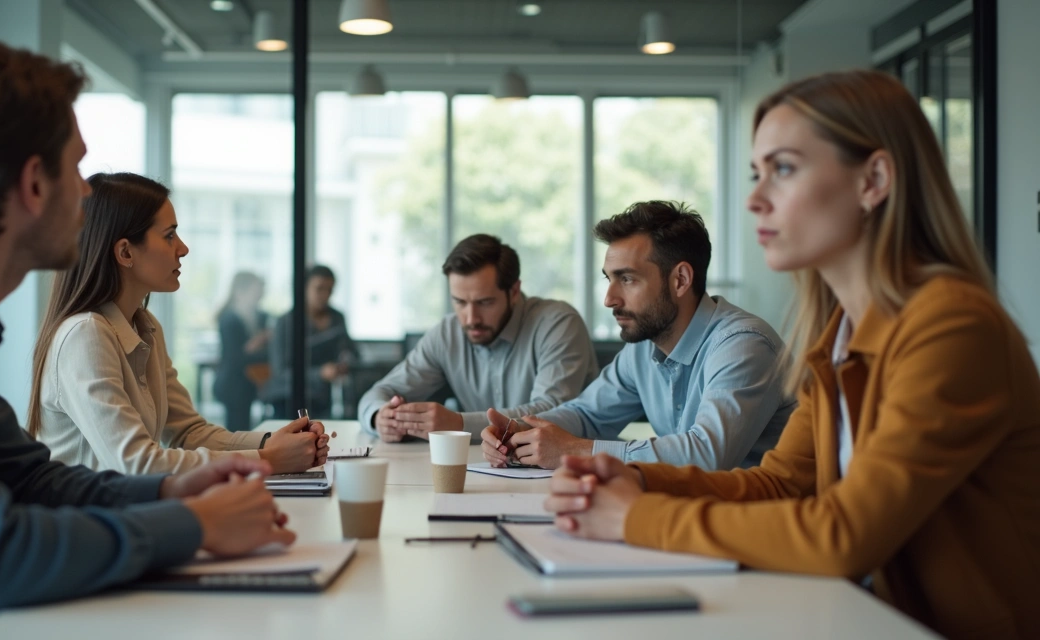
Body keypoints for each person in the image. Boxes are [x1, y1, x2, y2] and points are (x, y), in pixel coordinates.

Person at [544, 70, 1040, 639]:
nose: (755, 199)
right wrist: (631, 475)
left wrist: (635, 516)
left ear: (873, 179)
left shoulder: (951, 326)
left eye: (783, 169)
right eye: (757, 173)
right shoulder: (841, 331)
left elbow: (845, 535)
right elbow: (778, 484)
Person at [0, 40, 295, 639]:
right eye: (75, 167)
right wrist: (192, 526)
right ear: (33, 184)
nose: (88, 192)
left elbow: (31, 480)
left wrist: (172, 488)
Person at [28, 173, 327, 475]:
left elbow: (189, 433)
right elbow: (137, 464)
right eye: (169, 235)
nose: (183, 248)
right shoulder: (85, 335)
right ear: (125, 252)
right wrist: (268, 459)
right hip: (89, 520)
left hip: (127, 513)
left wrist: (274, 442)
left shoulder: (146, 327)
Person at [482, 201, 796, 469]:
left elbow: (708, 456)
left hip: (768, 524)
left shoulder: (744, 346)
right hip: (695, 514)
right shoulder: (645, 346)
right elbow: (588, 414)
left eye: (627, 279)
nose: (609, 299)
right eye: (609, 279)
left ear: (680, 280)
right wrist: (521, 432)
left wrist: (574, 450)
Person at [359, 234, 597, 441]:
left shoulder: (558, 323)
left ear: (514, 292)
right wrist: (380, 417)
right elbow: (379, 393)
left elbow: (551, 412)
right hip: (487, 469)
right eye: (460, 302)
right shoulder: (447, 334)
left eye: (484, 302)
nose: (471, 318)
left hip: (570, 469)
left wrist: (458, 424)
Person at [265, 265, 357, 417]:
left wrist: (344, 360)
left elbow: (350, 349)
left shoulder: (337, 318)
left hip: (323, 399)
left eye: (330, 290)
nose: (325, 294)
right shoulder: (286, 322)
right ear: (304, 288)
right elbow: (280, 371)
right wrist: (320, 373)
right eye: (319, 289)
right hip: (288, 398)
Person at [213, 271, 272, 430]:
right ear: (241, 292)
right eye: (256, 292)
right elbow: (234, 357)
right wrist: (258, 342)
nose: (259, 297)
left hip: (249, 382)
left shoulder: (260, 316)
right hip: (234, 384)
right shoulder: (229, 319)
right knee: (237, 430)